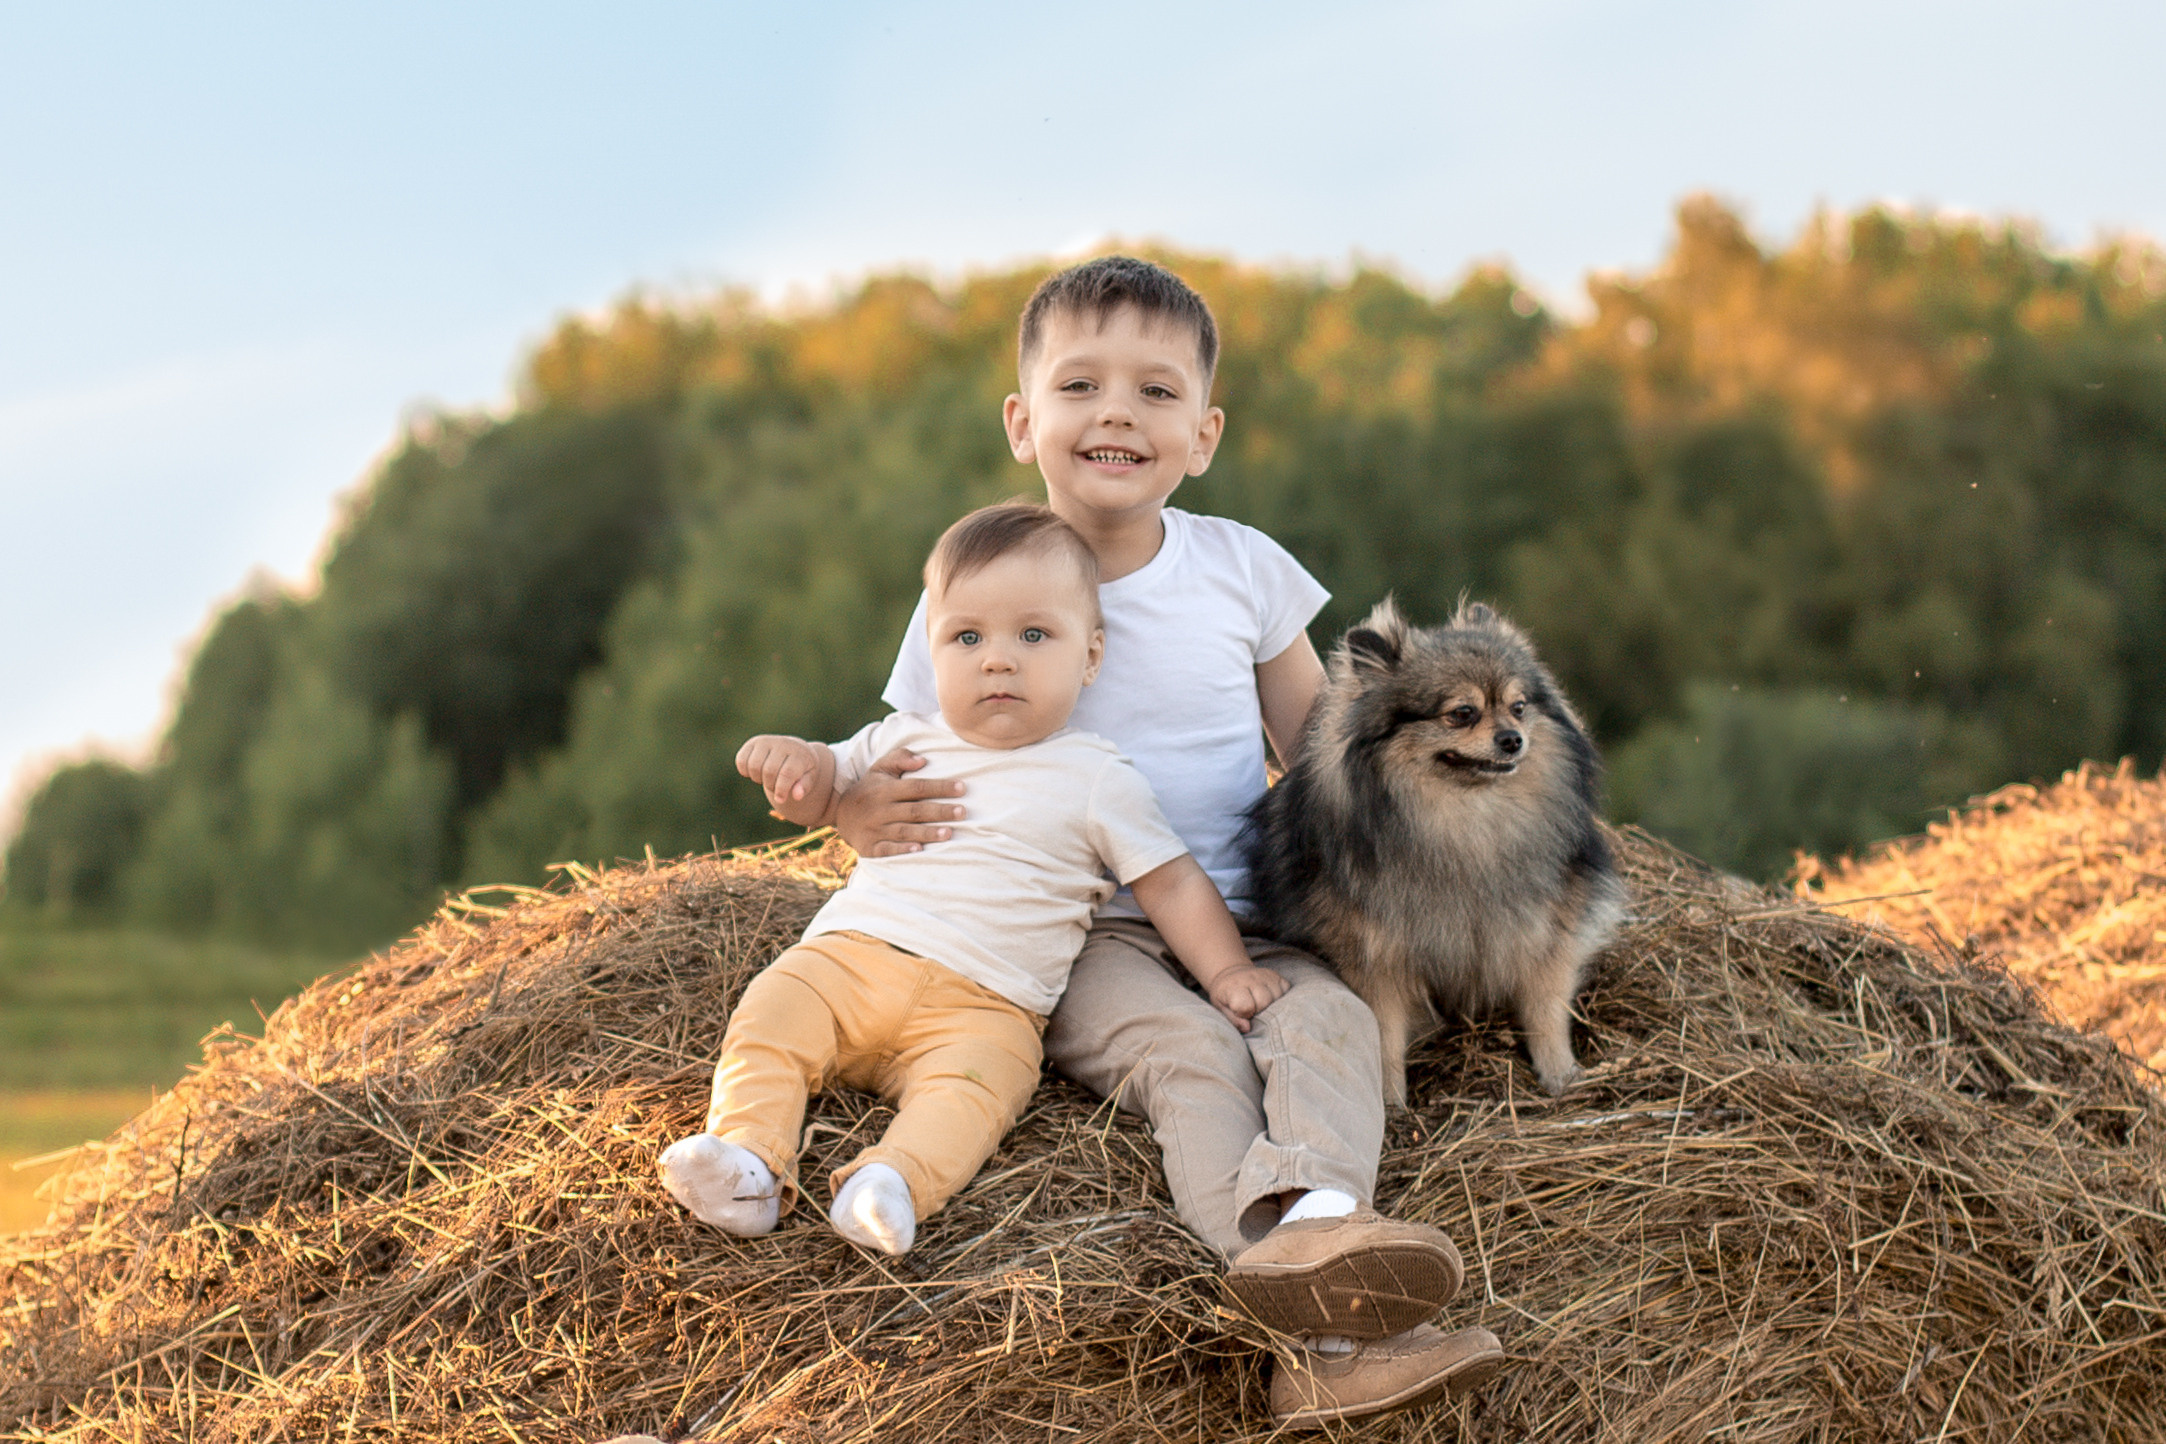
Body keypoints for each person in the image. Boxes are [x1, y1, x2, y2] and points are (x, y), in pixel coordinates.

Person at [822, 256, 1505, 1426]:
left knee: (1326, 1023)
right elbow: (904, 747)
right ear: (1022, 420)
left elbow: (1317, 743)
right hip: (1084, 932)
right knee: (1191, 1058)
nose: (1117, 413)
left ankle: (1319, 1234)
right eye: (1081, 384)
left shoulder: (1239, 567)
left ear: (1204, 432)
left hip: (1250, 908)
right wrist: (850, 806)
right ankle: (1321, 1330)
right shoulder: (983, 579)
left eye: (1155, 390)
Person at [658, 501, 1290, 1258]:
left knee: (975, 1094)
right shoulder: (904, 739)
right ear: (931, 653)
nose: (998, 658)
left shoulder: (1098, 777)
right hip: (853, 960)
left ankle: (891, 1182)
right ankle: (750, 1162)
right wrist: (797, 766)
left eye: (1033, 635)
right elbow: (828, 784)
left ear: (1090, 657)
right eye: (967, 636)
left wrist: (1227, 972)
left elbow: (1173, 883)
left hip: (990, 1004)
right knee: (772, 1014)